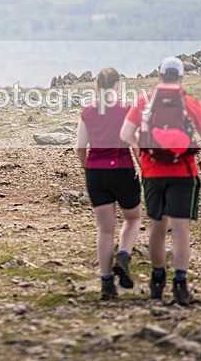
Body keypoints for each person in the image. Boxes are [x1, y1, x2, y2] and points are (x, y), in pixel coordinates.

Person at [120, 56, 201, 305]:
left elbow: (125, 134)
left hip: (153, 173)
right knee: (181, 229)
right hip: (184, 173)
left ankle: (157, 279)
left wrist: (141, 156)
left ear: (159, 76)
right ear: (181, 78)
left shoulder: (144, 101)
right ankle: (181, 283)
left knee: (157, 228)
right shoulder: (190, 103)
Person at [76, 67, 142, 300]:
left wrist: (87, 167)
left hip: (96, 173)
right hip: (122, 170)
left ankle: (106, 283)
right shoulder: (126, 109)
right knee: (133, 218)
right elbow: (135, 144)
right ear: (117, 86)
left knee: (105, 229)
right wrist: (145, 169)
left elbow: (80, 147)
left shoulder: (88, 111)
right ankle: (123, 256)